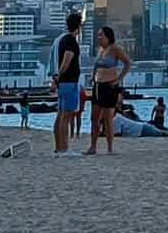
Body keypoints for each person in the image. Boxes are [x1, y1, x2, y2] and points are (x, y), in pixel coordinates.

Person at [85, 25, 132, 155]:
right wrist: (92, 77)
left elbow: (128, 63)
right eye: (98, 35)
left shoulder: (115, 49)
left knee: (107, 119)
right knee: (94, 118)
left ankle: (110, 148)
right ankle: (93, 147)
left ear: (108, 36)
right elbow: (96, 65)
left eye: (101, 35)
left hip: (109, 86)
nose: (98, 37)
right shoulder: (100, 50)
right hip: (97, 86)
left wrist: (119, 78)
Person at [53, 11, 84, 157]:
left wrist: (57, 79)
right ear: (79, 26)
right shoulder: (71, 41)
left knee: (60, 116)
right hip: (69, 82)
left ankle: (59, 148)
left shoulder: (63, 40)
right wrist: (59, 77)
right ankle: (64, 149)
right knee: (66, 117)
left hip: (63, 83)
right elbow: (67, 60)